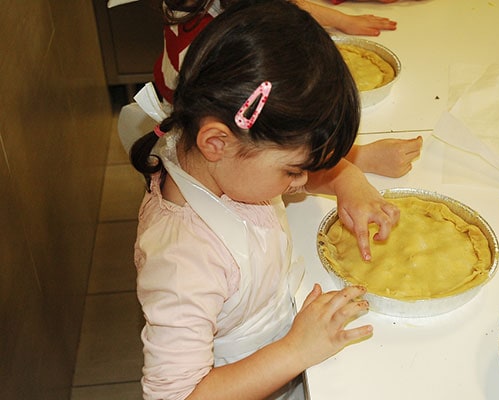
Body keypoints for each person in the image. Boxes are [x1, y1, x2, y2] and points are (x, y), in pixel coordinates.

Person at [130, 1, 399, 398]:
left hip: (280, 327)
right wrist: (295, 351)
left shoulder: (219, 162)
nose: (300, 182)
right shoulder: (183, 264)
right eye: (292, 171)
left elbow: (275, 175)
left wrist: (347, 182)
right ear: (217, 142)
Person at [154, 0, 422, 179]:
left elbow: (288, 6)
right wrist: (357, 159)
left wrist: (341, 20)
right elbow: (266, 145)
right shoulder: (219, 56)